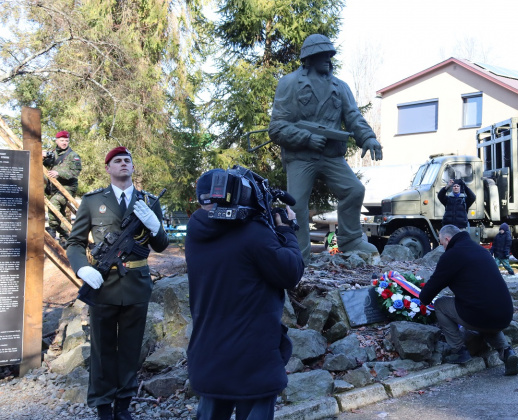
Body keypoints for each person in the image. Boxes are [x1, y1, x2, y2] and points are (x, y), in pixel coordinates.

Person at [185, 168, 304, 420]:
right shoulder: (253, 233)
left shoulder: (195, 231)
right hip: (253, 361)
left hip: (210, 356)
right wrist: (287, 230)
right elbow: (290, 272)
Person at [66, 147, 168, 420]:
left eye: (127, 160)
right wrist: (83, 268)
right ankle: (103, 406)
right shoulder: (92, 201)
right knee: (102, 349)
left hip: (137, 284)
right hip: (103, 284)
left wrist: (155, 225)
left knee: (130, 349)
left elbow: (161, 245)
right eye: (117, 161)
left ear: (133, 168)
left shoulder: (148, 201)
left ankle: (123, 405)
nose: (123, 164)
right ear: (108, 168)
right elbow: (74, 243)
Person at [269, 34, 383, 262]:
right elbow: (277, 127)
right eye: (322, 55)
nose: (328, 59)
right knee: (297, 203)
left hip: (331, 156)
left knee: (354, 190)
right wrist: (306, 138)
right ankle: (298, 255)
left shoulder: (340, 87)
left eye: (330, 54)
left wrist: (368, 137)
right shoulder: (290, 83)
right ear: (308, 59)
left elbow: (353, 117)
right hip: (301, 156)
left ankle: (350, 241)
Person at [419, 225, 518, 376]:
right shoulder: (481, 251)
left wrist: (420, 297)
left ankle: (459, 350)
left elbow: (427, 295)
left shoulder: (452, 256)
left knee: (440, 305)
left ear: (447, 239)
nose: (442, 246)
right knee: (485, 314)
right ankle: (506, 351)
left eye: (441, 243)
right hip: (505, 314)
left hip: (479, 314)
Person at [43, 130, 82, 247]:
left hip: (68, 187)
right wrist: (42, 156)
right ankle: (65, 236)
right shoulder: (53, 153)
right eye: (62, 140)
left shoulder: (73, 155)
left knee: (54, 203)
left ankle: (52, 228)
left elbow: (75, 172)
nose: (64, 143)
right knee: (60, 212)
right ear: (56, 140)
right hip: (53, 187)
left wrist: (58, 173)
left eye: (66, 140)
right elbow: (45, 164)